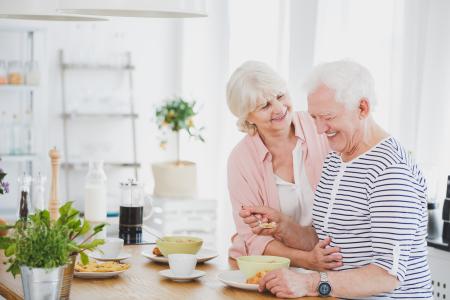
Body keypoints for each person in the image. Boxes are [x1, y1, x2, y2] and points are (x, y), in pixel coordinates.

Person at [240, 60, 432, 299]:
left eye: (328, 117)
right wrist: (283, 226)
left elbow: (387, 275)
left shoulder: (391, 171)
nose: (320, 130)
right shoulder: (336, 157)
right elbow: (324, 239)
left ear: (362, 108)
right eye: (314, 118)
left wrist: (309, 283)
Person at [226, 61, 342, 271]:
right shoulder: (240, 160)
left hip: (331, 259)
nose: (279, 109)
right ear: (247, 117)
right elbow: (253, 237)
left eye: (280, 96)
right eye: (264, 106)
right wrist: (306, 260)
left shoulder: (320, 127)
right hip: (271, 267)